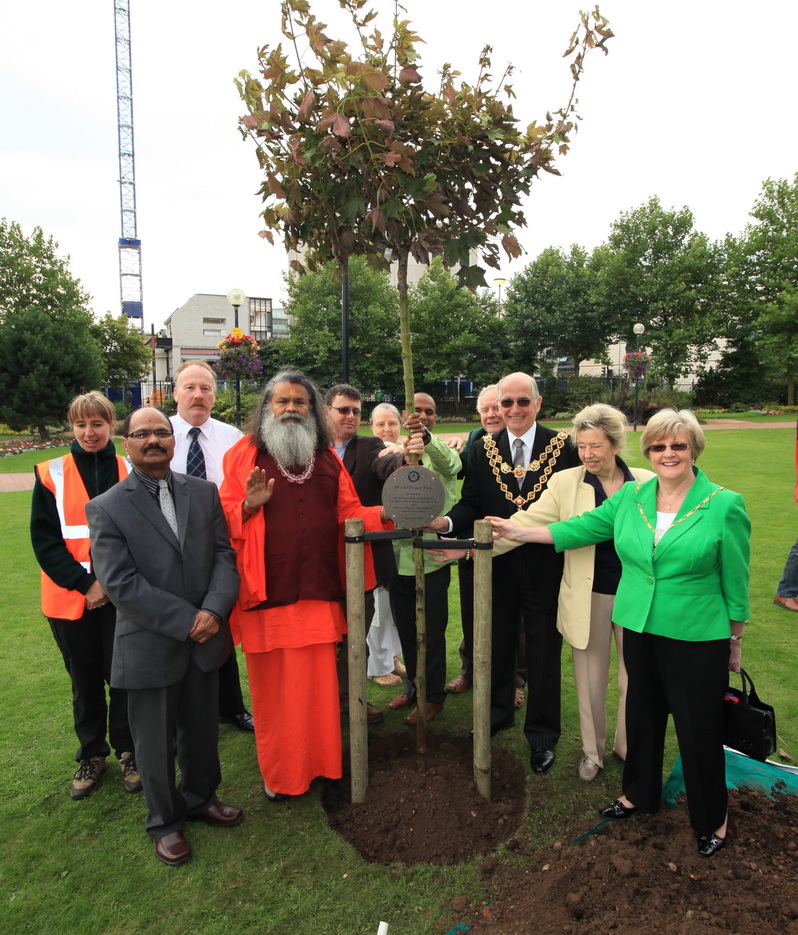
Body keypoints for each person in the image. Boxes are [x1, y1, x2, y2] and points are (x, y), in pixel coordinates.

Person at [489, 409, 750, 857]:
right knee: (644, 717)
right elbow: (579, 528)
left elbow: (736, 580)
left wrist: (734, 640)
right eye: (659, 446)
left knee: (697, 728)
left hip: (695, 634)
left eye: (678, 446)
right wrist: (518, 529)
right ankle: (637, 795)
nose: (668, 453)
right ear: (648, 449)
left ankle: (713, 820)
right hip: (639, 625)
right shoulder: (634, 495)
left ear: (694, 450)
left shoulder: (724, 504)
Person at [219, 370, 393, 800]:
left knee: (319, 689)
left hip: (318, 590)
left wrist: (389, 512)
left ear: (312, 410)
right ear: (267, 408)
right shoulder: (242, 455)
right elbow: (218, 519)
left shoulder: (327, 458)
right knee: (275, 694)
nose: (291, 409)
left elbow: (351, 512)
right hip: (268, 595)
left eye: (300, 402)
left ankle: (321, 766)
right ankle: (282, 776)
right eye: (282, 402)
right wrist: (246, 506)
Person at [86, 407, 242, 867]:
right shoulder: (107, 506)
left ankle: (200, 798)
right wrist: (187, 620)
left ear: (173, 440)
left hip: (206, 637)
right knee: (153, 743)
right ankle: (165, 821)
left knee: (200, 731)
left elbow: (223, 556)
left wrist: (213, 610)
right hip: (150, 641)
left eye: (161, 432)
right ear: (126, 444)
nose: (153, 440)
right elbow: (120, 583)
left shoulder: (204, 492)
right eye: (142, 434)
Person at [489, 404, 655, 781]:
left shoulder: (646, 482)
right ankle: (592, 753)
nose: (588, 454)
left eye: (595, 445)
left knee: (636, 678)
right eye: (581, 446)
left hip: (636, 596)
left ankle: (627, 747)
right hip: (588, 595)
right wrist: (474, 546)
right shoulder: (565, 482)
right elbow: (527, 523)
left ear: (615, 444)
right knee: (590, 679)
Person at [427, 373, 580, 772]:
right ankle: (497, 714)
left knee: (544, 649)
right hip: (494, 563)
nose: (513, 410)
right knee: (495, 641)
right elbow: (472, 502)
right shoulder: (483, 447)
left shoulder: (564, 447)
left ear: (538, 403)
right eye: (506, 403)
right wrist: (445, 524)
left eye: (521, 402)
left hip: (547, 564)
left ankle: (543, 734)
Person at [31, 391, 140, 800]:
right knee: (85, 682)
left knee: (124, 680)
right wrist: (86, 585)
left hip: (121, 599)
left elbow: (142, 538)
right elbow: (45, 543)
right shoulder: (51, 473)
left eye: (97, 424)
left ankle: (128, 749)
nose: (89, 432)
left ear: (112, 426)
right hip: (69, 600)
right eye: (81, 424)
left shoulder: (131, 469)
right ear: (72, 427)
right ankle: (92, 753)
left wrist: (111, 587)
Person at [169, 360, 254, 733]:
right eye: (190, 387)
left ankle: (230, 707)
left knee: (220, 628)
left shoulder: (232, 437)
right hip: (170, 549)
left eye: (205, 388)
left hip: (219, 548)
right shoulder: (158, 432)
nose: (198, 395)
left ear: (214, 395)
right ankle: (178, 717)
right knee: (176, 631)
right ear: (175, 393)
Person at [324, 384, 406, 721]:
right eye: (343, 409)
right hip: (320, 560)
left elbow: (385, 465)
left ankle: (351, 702)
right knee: (325, 640)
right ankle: (325, 704)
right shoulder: (310, 448)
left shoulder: (370, 445)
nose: (351, 416)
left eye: (356, 411)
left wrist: (405, 458)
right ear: (326, 410)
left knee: (355, 637)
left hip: (363, 560)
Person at [387, 392, 460, 725]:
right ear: (405, 414)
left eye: (429, 412)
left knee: (430, 631)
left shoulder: (441, 451)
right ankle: (413, 688)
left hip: (432, 557)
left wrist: (427, 440)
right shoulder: (392, 449)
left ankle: (433, 697)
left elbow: (453, 466)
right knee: (406, 629)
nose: (424, 416)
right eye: (417, 411)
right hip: (398, 558)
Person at [366, 402, 407, 687]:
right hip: (377, 536)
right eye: (380, 424)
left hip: (397, 540)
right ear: (372, 428)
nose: (386, 429)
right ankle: (377, 666)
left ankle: (391, 657)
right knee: (379, 608)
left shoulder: (404, 451)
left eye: (391, 423)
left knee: (392, 608)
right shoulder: (372, 452)